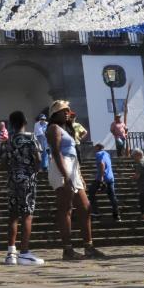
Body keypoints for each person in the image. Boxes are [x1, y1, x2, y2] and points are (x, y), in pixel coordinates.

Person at [46, 99, 105, 261]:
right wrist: (66, 175)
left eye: (68, 110)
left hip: (72, 167)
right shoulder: (53, 128)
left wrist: (79, 176)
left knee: (85, 207)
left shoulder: (66, 129)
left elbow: (74, 156)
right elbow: (57, 153)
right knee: (66, 208)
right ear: (55, 114)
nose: (67, 112)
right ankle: (67, 249)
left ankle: (88, 246)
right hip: (62, 167)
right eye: (63, 110)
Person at [0, 110, 44, 266]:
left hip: (12, 181)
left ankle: (11, 253)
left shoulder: (7, 141)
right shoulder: (31, 138)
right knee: (27, 215)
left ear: (11, 124)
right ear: (25, 122)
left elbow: (3, 163)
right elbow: (38, 159)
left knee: (13, 215)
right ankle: (24, 252)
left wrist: (13, 168)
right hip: (27, 180)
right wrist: (33, 171)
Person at [87, 143, 120, 221]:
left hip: (102, 177)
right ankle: (116, 215)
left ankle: (96, 212)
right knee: (112, 197)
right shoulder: (107, 154)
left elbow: (102, 164)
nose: (94, 148)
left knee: (91, 192)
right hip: (111, 177)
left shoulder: (98, 154)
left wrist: (101, 177)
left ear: (98, 147)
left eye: (95, 147)